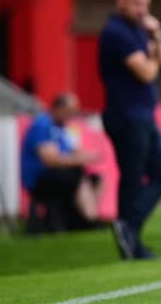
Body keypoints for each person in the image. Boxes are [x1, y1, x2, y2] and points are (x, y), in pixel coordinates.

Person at [99, 0, 161, 260]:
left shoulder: (140, 30)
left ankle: (129, 231)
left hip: (142, 115)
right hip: (125, 115)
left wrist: (157, 37)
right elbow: (146, 72)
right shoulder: (115, 31)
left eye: (145, 3)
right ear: (121, 0)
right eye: (136, 3)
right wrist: (154, 57)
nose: (142, 9)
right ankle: (130, 233)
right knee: (133, 177)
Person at [21, 93, 102, 233]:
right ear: (58, 108)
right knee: (77, 175)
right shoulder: (42, 125)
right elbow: (50, 160)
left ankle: (81, 219)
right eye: (70, 111)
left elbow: (74, 151)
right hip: (40, 178)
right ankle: (89, 219)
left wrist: (89, 156)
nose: (72, 115)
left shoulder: (63, 128)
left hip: (58, 175)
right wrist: (79, 159)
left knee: (96, 178)